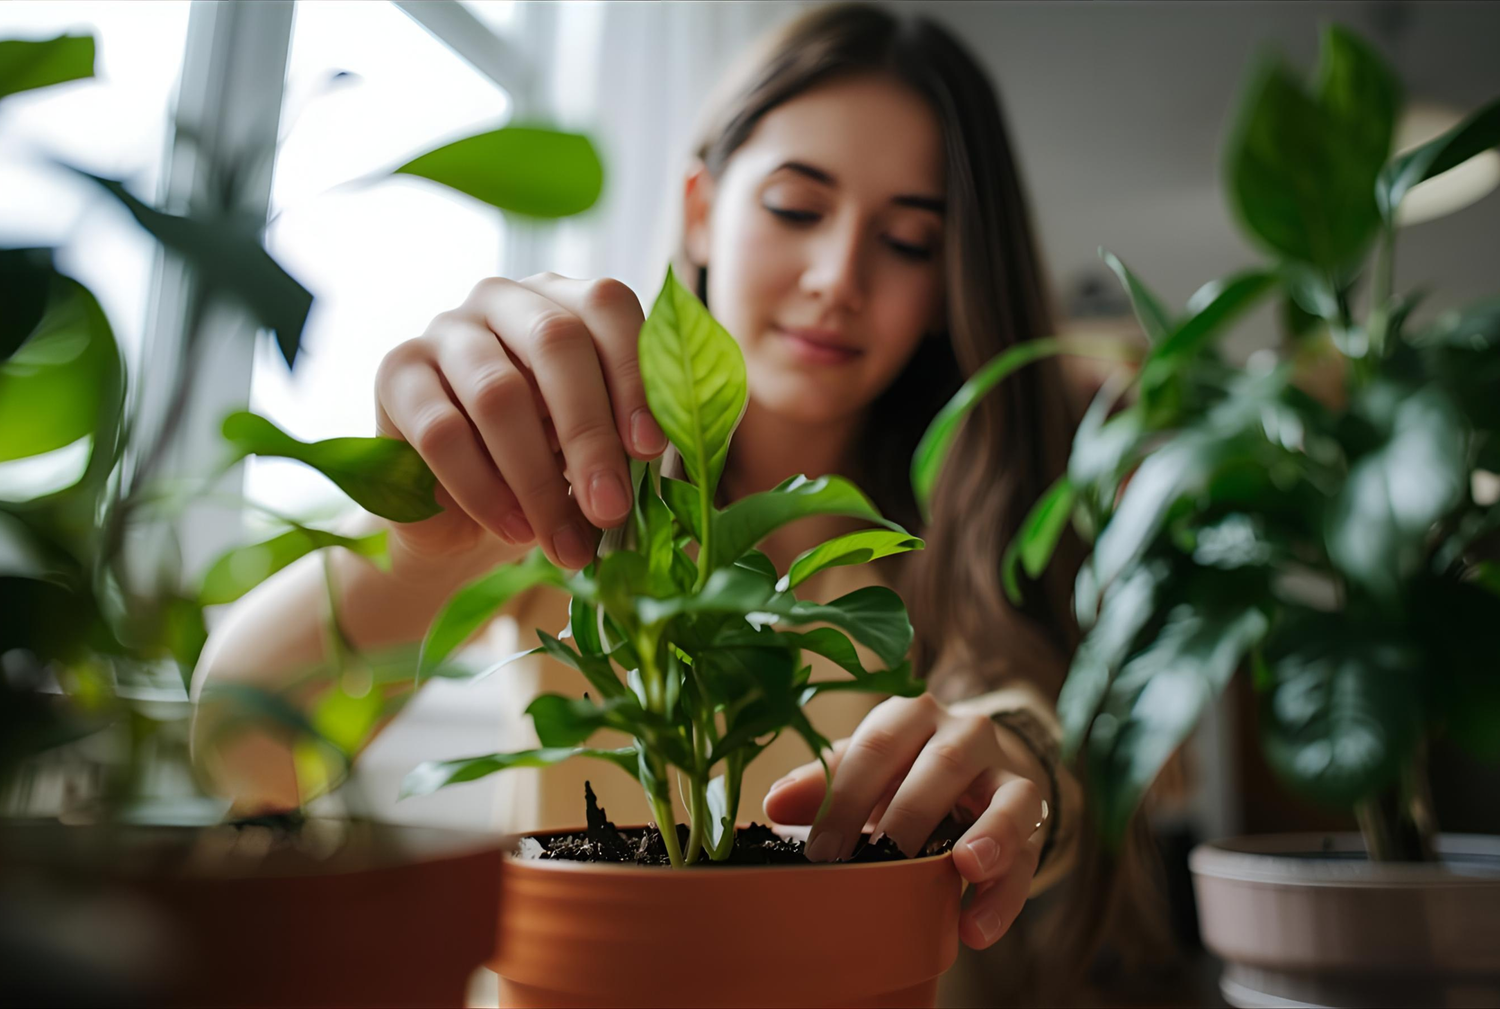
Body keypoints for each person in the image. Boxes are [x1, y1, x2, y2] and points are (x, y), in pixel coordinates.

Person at [192, 1, 1099, 977]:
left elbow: (1035, 735)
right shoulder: (582, 493)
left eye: (910, 240)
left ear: (949, 281)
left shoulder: (973, 522)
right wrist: (418, 557)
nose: (839, 277)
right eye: (797, 207)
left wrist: (1026, 776)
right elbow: (244, 749)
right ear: (703, 210)